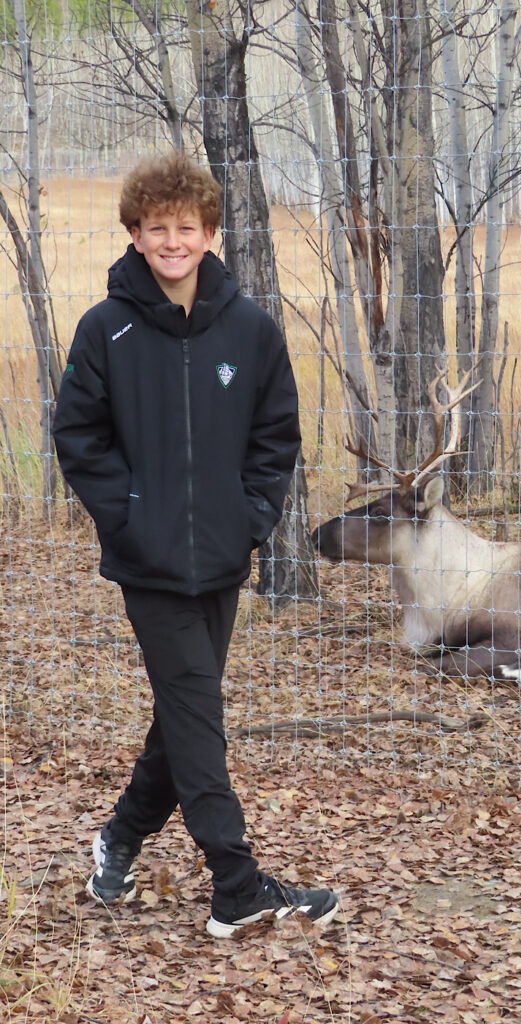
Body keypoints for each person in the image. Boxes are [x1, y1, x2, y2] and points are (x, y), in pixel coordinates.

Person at [52, 151, 339, 939]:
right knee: (197, 714)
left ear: (210, 233)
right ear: (134, 234)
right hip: (148, 563)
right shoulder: (103, 328)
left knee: (183, 718)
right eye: (156, 228)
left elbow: (276, 436)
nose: (171, 240)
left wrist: (248, 518)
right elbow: (78, 436)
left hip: (221, 554)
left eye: (186, 227)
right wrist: (130, 516)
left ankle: (117, 841)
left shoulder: (249, 330)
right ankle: (237, 886)